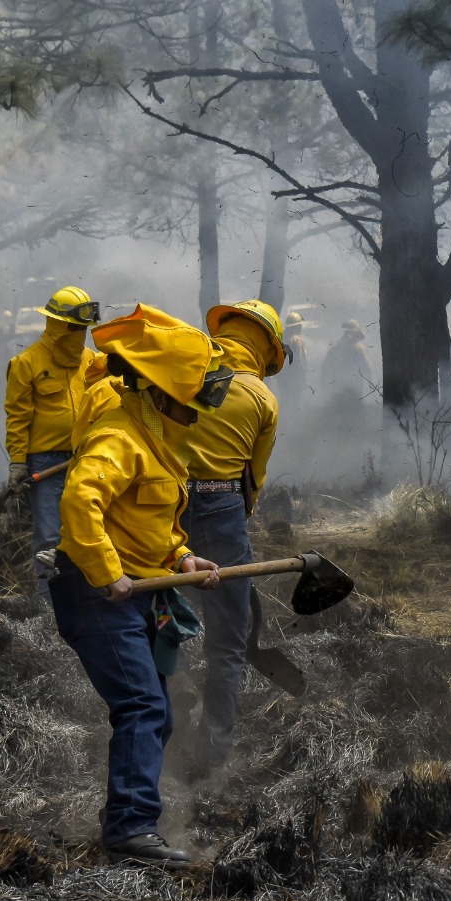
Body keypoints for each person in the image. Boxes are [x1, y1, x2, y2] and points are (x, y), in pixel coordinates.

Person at [50, 303, 233, 865]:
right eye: (195, 396)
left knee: (155, 710)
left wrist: (181, 559)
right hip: (96, 593)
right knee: (141, 705)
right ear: (161, 391)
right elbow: (80, 502)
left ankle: (123, 816)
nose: (200, 408)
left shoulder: (153, 435)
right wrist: (108, 576)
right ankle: (131, 830)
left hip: (138, 589)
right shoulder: (119, 436)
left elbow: (147, 521)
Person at [177, 298, 283, 775]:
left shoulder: (180, 373)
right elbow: (252, 480)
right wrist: (237, 516)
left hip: (163, 503)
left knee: (157, 612)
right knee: (226, 640)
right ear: (266, 348)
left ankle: (172, 691)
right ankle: (214, 747)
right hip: (222, 508)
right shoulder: (261, 398)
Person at [4, 286, 100, 593]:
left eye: (84, 328)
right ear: (56, 324)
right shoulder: (26, 363)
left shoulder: (92, 361)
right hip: (45, 464)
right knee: (49, 537)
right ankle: (49, 611)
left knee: (89, 530)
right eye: (74, 327)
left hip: (86, 458)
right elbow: (17, 417)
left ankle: (86, 601)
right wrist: (18, 462)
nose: (80, 333)